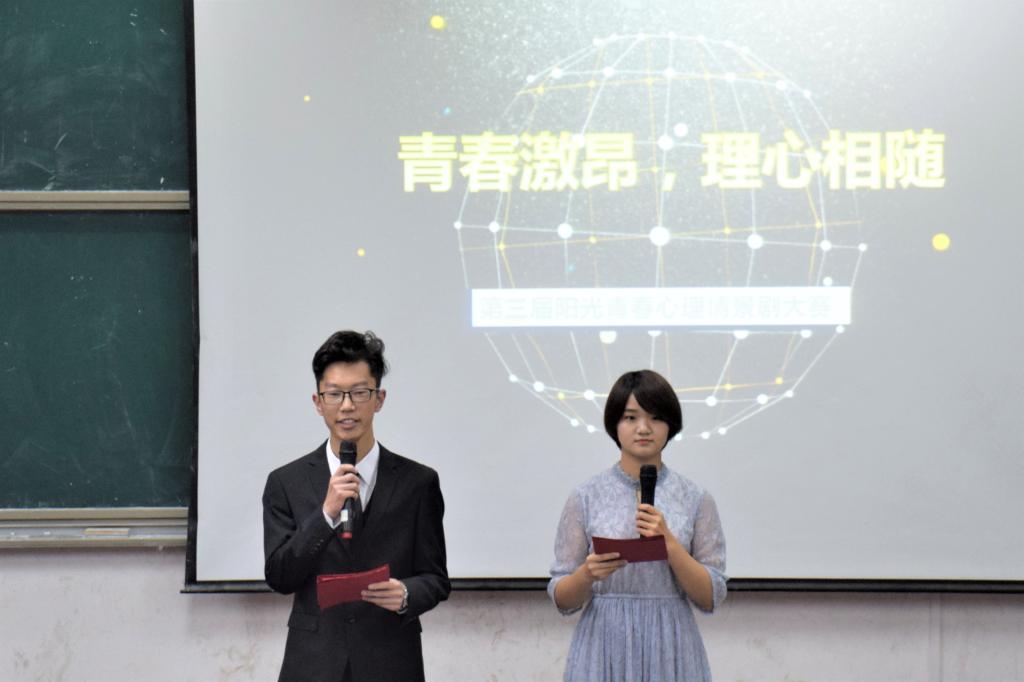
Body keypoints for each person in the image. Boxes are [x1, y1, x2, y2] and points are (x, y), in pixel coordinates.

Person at [262, 330, 450, 682]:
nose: (347, 406)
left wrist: (406, 593)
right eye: (334, 394)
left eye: (360, 393)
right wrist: (325, 514)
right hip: (313, 663)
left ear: (379, 399)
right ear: (318, 402)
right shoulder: (286, 482)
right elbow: (279, 576)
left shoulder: (418, 482)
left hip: (391, 662)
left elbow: (436, 578)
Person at [548, 369, 727, 681]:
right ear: (614, 425)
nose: (643, 428)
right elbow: (561, 597)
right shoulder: (586, 496)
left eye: (655, 417)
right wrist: (587, 574)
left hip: (671, 643)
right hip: (604, 643)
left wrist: (669, 544)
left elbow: (712, 595)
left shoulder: (695, 497)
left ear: (670, 425)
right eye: (630, 418)